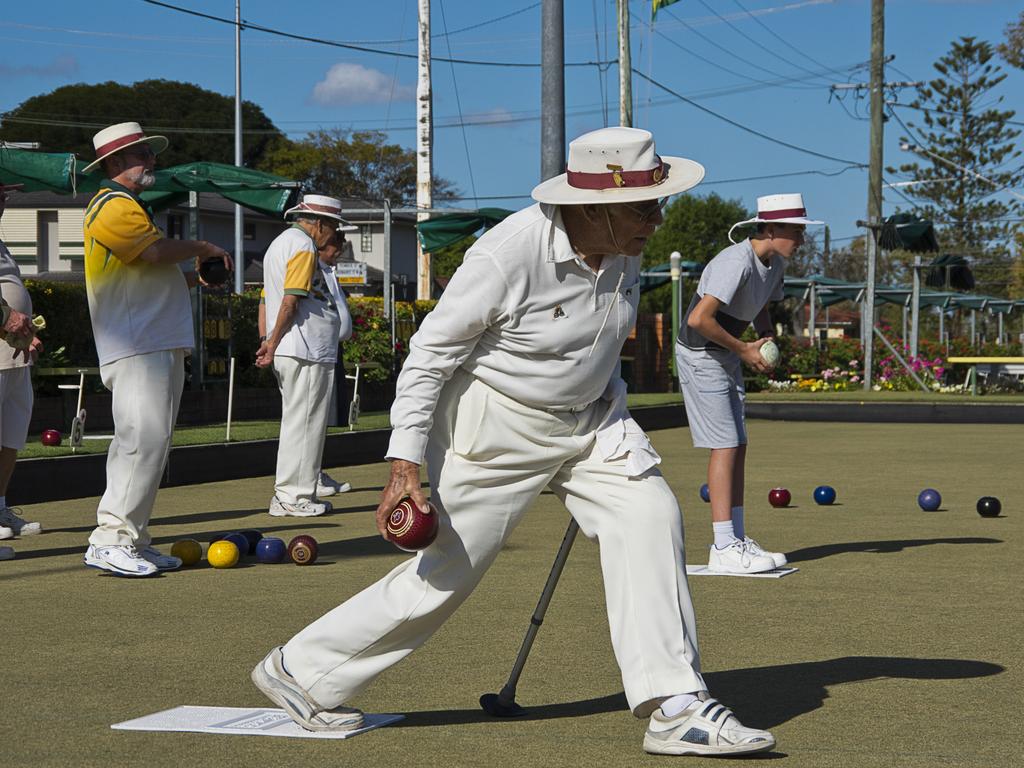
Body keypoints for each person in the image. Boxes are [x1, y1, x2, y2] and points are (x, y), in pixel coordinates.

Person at [250, 128, 776, 757]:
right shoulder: (507, 254)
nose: (658, 219)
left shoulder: (627, 243)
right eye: (645, 206)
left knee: (651, 515)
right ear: (594, 206)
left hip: (594, 424)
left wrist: (610, 407)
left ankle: (676, 704)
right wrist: (405, 460)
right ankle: (301, 671)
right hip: (496, 429)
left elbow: (601, 342)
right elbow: (429, 356)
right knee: (446, 572)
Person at [80, 122, 232, 576]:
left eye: (148, 152)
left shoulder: (132, 208)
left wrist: (193, 276)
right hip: (136, 341)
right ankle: (110, 538)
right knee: (140, 438)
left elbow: (150, 267)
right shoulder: (112, 204)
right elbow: (151, 254)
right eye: (140, 154)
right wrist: (203, 245)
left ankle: (133, 538)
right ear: (114, 163)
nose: (151, 160)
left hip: (155, 339)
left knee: (153, 442)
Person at [675, 193, 822, 574]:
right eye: (797, 231)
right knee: (724, 445)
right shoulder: (733, 262)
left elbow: (763, 307)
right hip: (700, 354)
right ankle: (723, 546)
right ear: (771, 229)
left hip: (725, 354)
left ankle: (736, 541)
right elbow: (699, 320)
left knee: (738, 443)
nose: (802, 239)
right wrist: (743, 349)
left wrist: (766, 337)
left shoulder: (773, 265)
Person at [257, 195, 355, 517]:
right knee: (306, 423)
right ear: (319, 223)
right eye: (334, 227)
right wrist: (273, 341)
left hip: (298, 348)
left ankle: (290, 494)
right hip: (305, 348)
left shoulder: (281, 243)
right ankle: (293, 496)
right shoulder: (303, 246)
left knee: (298, 422)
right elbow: (290, 301)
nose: (335, 236)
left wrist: (271, 341)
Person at [0, 182, 44, 561]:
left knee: (12, 434)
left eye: (4, 193)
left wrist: (27, 336)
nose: (2, 199)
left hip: (14, 354)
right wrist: (8, 317)